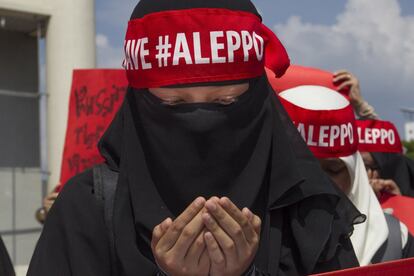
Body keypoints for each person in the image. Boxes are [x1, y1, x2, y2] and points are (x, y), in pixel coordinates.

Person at [28, 1, 362, 275]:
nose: (201, 127)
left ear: (259, 102)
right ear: (139, 105)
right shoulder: (86, 211)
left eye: (225, 102)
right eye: (172, 104)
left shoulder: (307, 214)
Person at [279, 84, 414, 266]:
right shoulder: (245, 243)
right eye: (302, 171)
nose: (318, 184)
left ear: (355, 172)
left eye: (333, 170)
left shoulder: (396, 241)